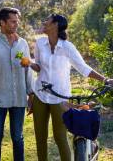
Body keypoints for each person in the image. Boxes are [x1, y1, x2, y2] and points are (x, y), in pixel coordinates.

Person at [23, 14, 113, 161]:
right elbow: (39, 67)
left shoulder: (67, 47)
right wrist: (30, 64)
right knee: (40, 138)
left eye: (48, 20)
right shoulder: (40, 43)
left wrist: (105, 80)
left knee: (60, 137)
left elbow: (83, 68)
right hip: (40, 94)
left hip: (60, 98)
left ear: (56, 25)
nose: (44, 22)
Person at [0, 7, 34, 161]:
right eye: (13, 22)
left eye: (17, 21)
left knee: (18, 137)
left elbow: (27, 70)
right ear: (2, 22)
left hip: (18, 101)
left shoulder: (22, 44)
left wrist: (31, 94)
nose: (16, 25)